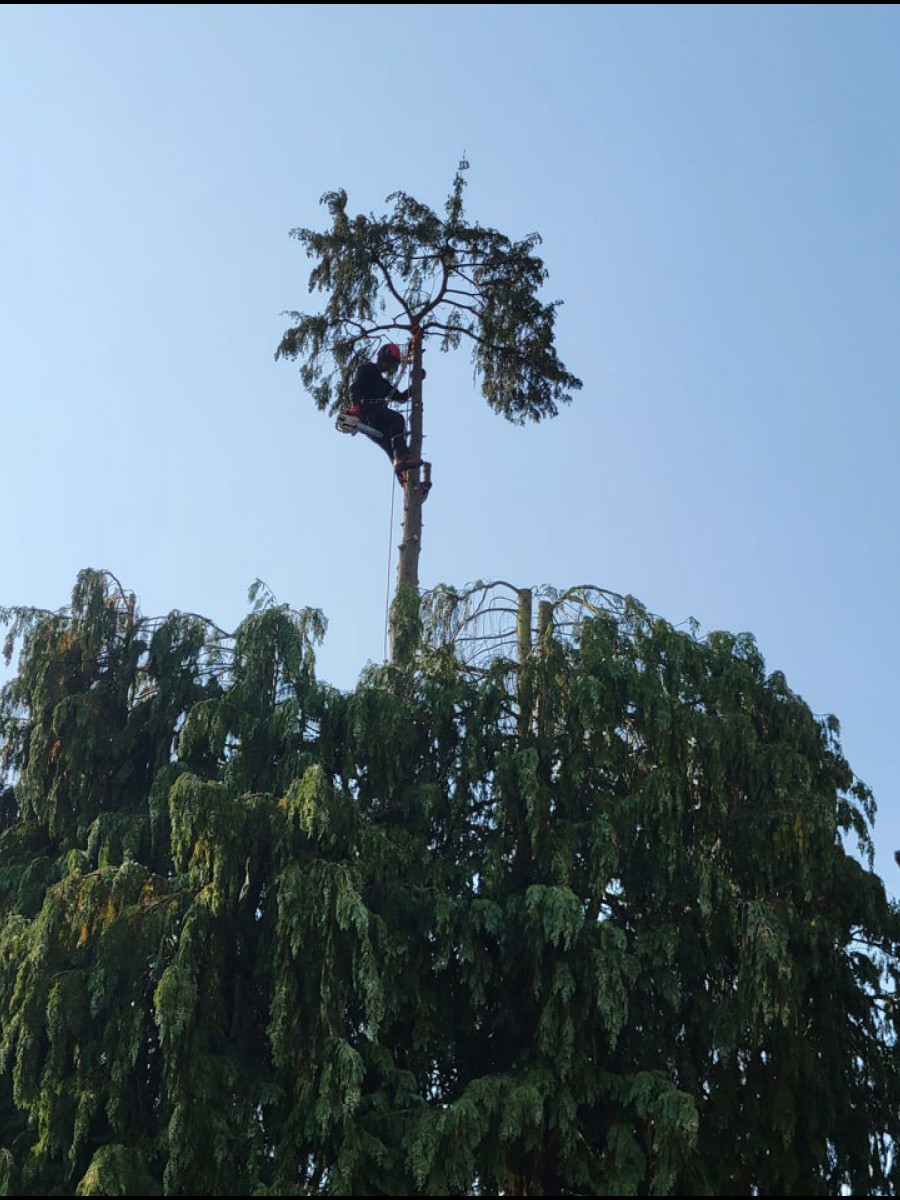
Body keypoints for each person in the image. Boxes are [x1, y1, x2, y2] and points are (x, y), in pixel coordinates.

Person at [346, 343, 424, 480]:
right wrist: (355, 405)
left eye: (392, 363)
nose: (388, 365)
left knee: (390, 446)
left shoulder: (383, 384)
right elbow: (355, 387)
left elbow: (400, 397)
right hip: (368, 413)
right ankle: (401, 459)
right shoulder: (368, 369)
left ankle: (404, 478)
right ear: (381, 357)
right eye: (387, 361)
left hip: (376, 416)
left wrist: (416, 382)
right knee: (397, 420)